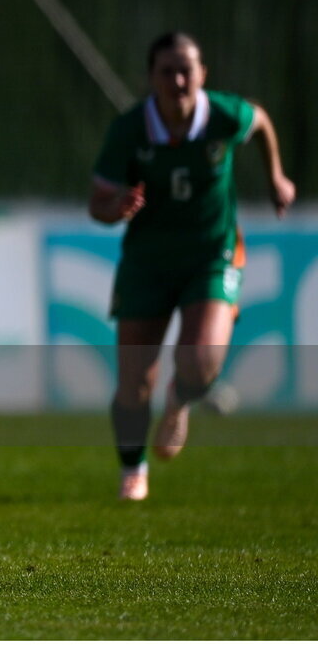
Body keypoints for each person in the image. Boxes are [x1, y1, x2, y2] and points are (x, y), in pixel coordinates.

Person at [88, 31, 295, 501]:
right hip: (147, 262)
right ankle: (132, 470)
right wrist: (116, 205)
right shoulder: (129, 131)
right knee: (134, 385)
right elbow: (96, 204)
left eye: (187, 69)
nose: (178, 80)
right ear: (151, 77)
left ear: (203, 74)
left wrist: (276, 176)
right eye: (167, 71)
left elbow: (260, 121)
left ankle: (179, 403)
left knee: (201, 362)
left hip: (211, 252)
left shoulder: (221, 113)